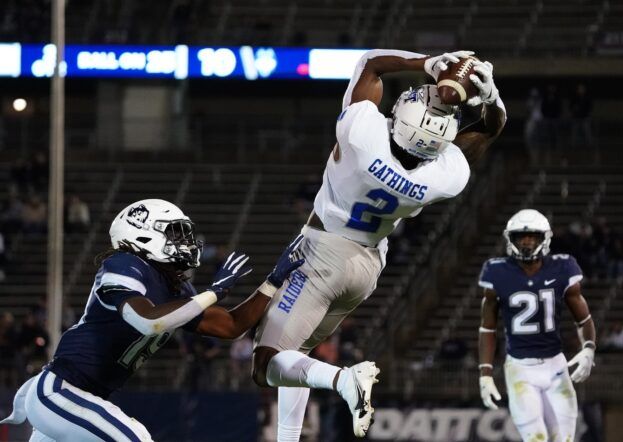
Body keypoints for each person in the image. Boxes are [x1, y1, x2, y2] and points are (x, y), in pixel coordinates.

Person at [251, 48, 506, 440]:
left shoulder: (363, 134)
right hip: (366, 266)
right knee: (295, 355)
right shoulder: (444, 176)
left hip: (322, 250)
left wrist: (427, 63)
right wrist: (491, 99)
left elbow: (371, 63)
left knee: (266, 363)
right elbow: (489, 129)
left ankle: (344, 380)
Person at [0, 199, 304, 442]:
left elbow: (230, 326)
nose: (184, 241)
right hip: (62, 391)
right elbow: (147, 321)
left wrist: (273, 281)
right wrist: (213, 292)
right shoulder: (123, 265)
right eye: (173, 232)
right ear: (142, 234)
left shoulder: (175, 287)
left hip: (81, 398)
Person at [477, 209, 596, 442]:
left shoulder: (563, 267)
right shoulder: (497, 271)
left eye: (532, 236)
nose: (527, 242)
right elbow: (487, 328)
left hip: (556, 367)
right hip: (520, 369)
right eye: (521, 237)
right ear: (510, 239)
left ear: (545, 238)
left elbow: (583, 318)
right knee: (537, 439)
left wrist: (589, 347)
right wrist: (485, 373)